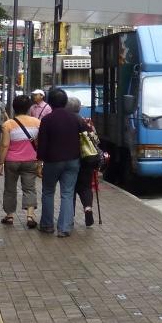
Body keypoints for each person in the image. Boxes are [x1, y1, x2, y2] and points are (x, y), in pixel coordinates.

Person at [35, 87, 85, 237]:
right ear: (65, 102)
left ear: (50, 102)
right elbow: (85, 136)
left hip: (52, 161)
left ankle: (47, 225)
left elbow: (42, 144)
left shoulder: (47, 120)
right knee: (67, 193)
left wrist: (39, 163)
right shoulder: (76, 118)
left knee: (48, 191)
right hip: (73, 160)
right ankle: (64, 228)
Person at [0, 94, 40, 228]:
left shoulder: (8, 124)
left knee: (10, 188)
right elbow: (39, 143)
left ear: (14, 107)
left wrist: (0, 163)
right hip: (31, 160)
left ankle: (9, 216)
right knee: (30, 188)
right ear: (29, 108)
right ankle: (30, 216)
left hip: (12, 161)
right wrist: (40, 161)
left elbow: (5, 145)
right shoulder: (37, 122)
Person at [67, 97, 99, 227]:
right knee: (85, 186)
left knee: (70, 188)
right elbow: (96, 140)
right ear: (79, 108)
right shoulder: (86, 122)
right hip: (87, 158)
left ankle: (70, 216)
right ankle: (88, 209)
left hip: (70, 158)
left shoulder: (66, 122)